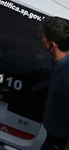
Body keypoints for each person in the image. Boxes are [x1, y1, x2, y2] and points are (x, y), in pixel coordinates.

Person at [39, 16, 69, 150]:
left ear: (52, 44)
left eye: (42, 36)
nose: (39, 38)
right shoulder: (60, 66)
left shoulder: (66, 76)